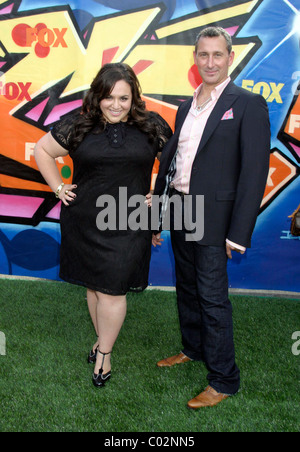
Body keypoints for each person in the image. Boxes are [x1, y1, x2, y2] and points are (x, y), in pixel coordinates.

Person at [152, 27, 271, 408]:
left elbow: (254, 171)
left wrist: (239, 232)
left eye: (217, 55)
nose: (210, 62)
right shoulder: (188, 105)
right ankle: (193, 348)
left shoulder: (248, 103)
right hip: (182, 208)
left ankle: (224, 380)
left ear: (230, 58)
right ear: (195, 58)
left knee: (212, 297)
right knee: (186, 285)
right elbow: (174, 163)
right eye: (203, 55)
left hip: (216, 217)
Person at [34, 63, 172, 388]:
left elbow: (179, 162)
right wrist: (57, 187)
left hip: (130, 222)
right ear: (97, 97)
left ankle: (104, 352)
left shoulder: (152, 127)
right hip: (84, 221)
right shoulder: (79, 126)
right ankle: (100, 340)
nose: (116, 105)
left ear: (134, 98)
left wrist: (161, 196)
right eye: (109, 97)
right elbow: (42, 150)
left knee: (113, 290)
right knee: (94, 286)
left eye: (123, 98)